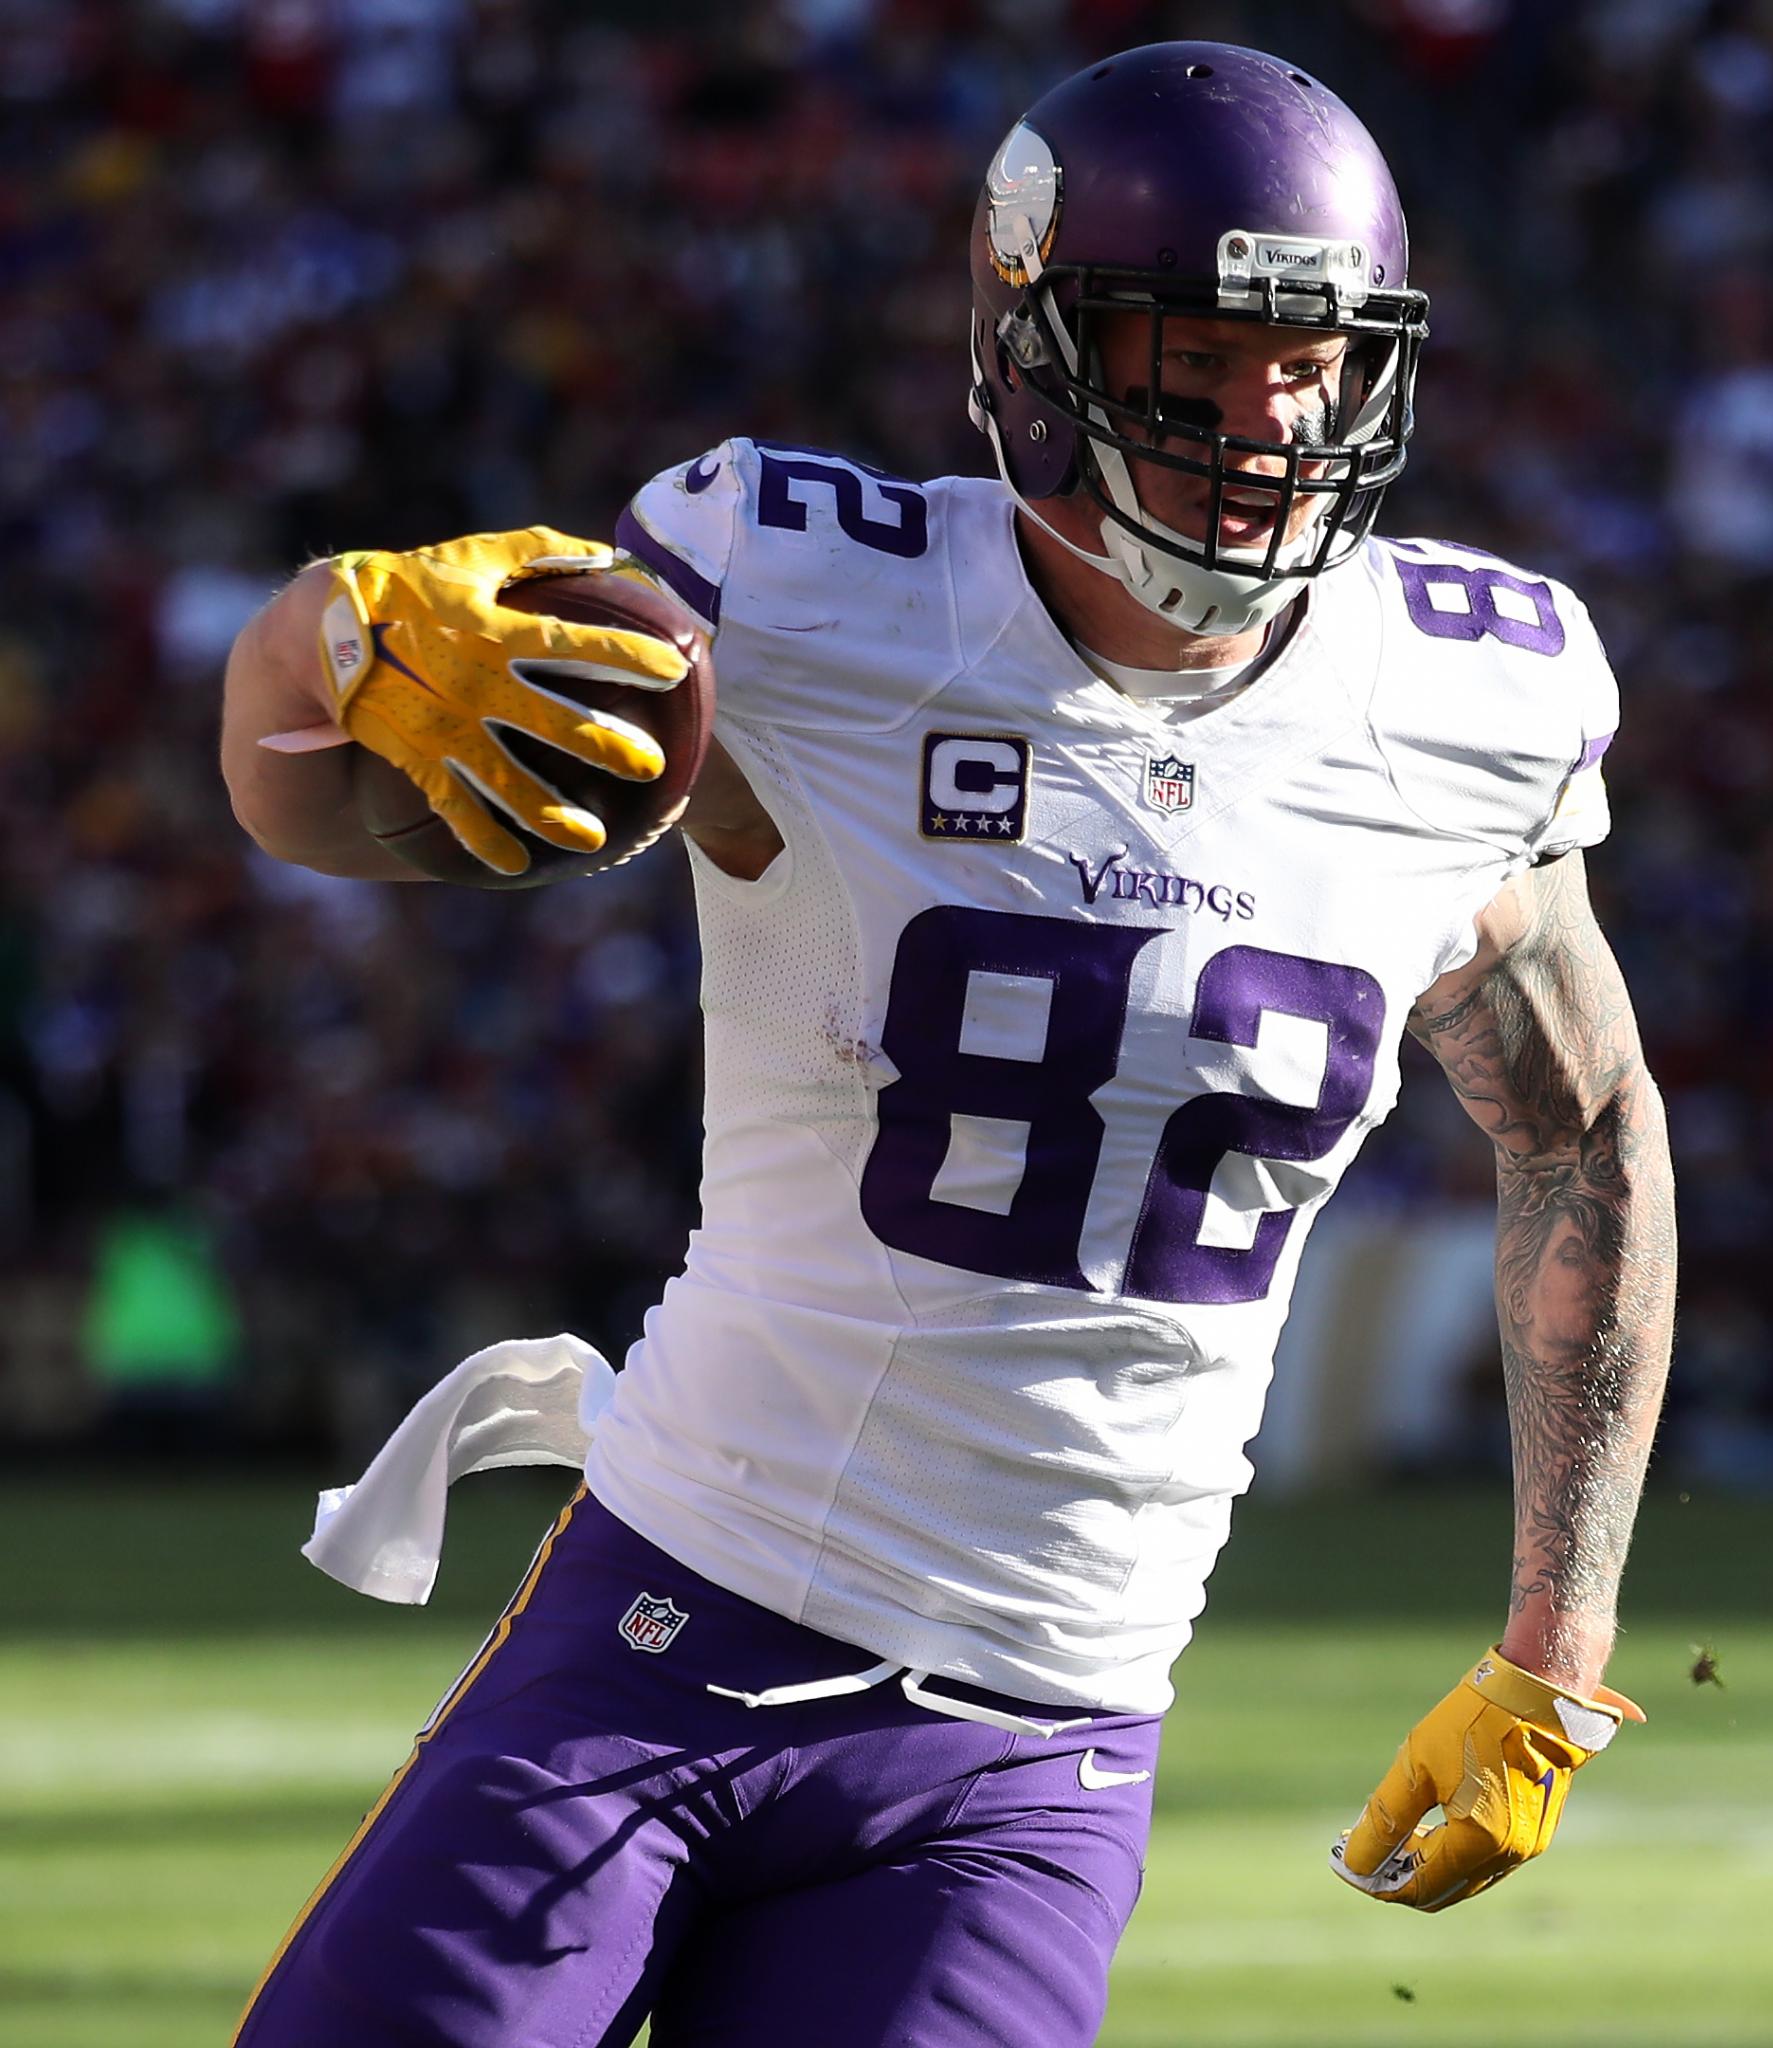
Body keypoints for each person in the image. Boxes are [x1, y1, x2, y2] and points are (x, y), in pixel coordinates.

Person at [215, 43, 1674, 2048]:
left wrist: (1557, 1648)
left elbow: (1584, 1134)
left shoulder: (1465, 703)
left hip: (1032, 1755)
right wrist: (334, 640)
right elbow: (294, 793)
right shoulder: (818, 597)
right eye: (1197, 351)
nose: (1268, 418)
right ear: (1040, 350)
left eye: (1313, 357)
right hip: (669, 1620)